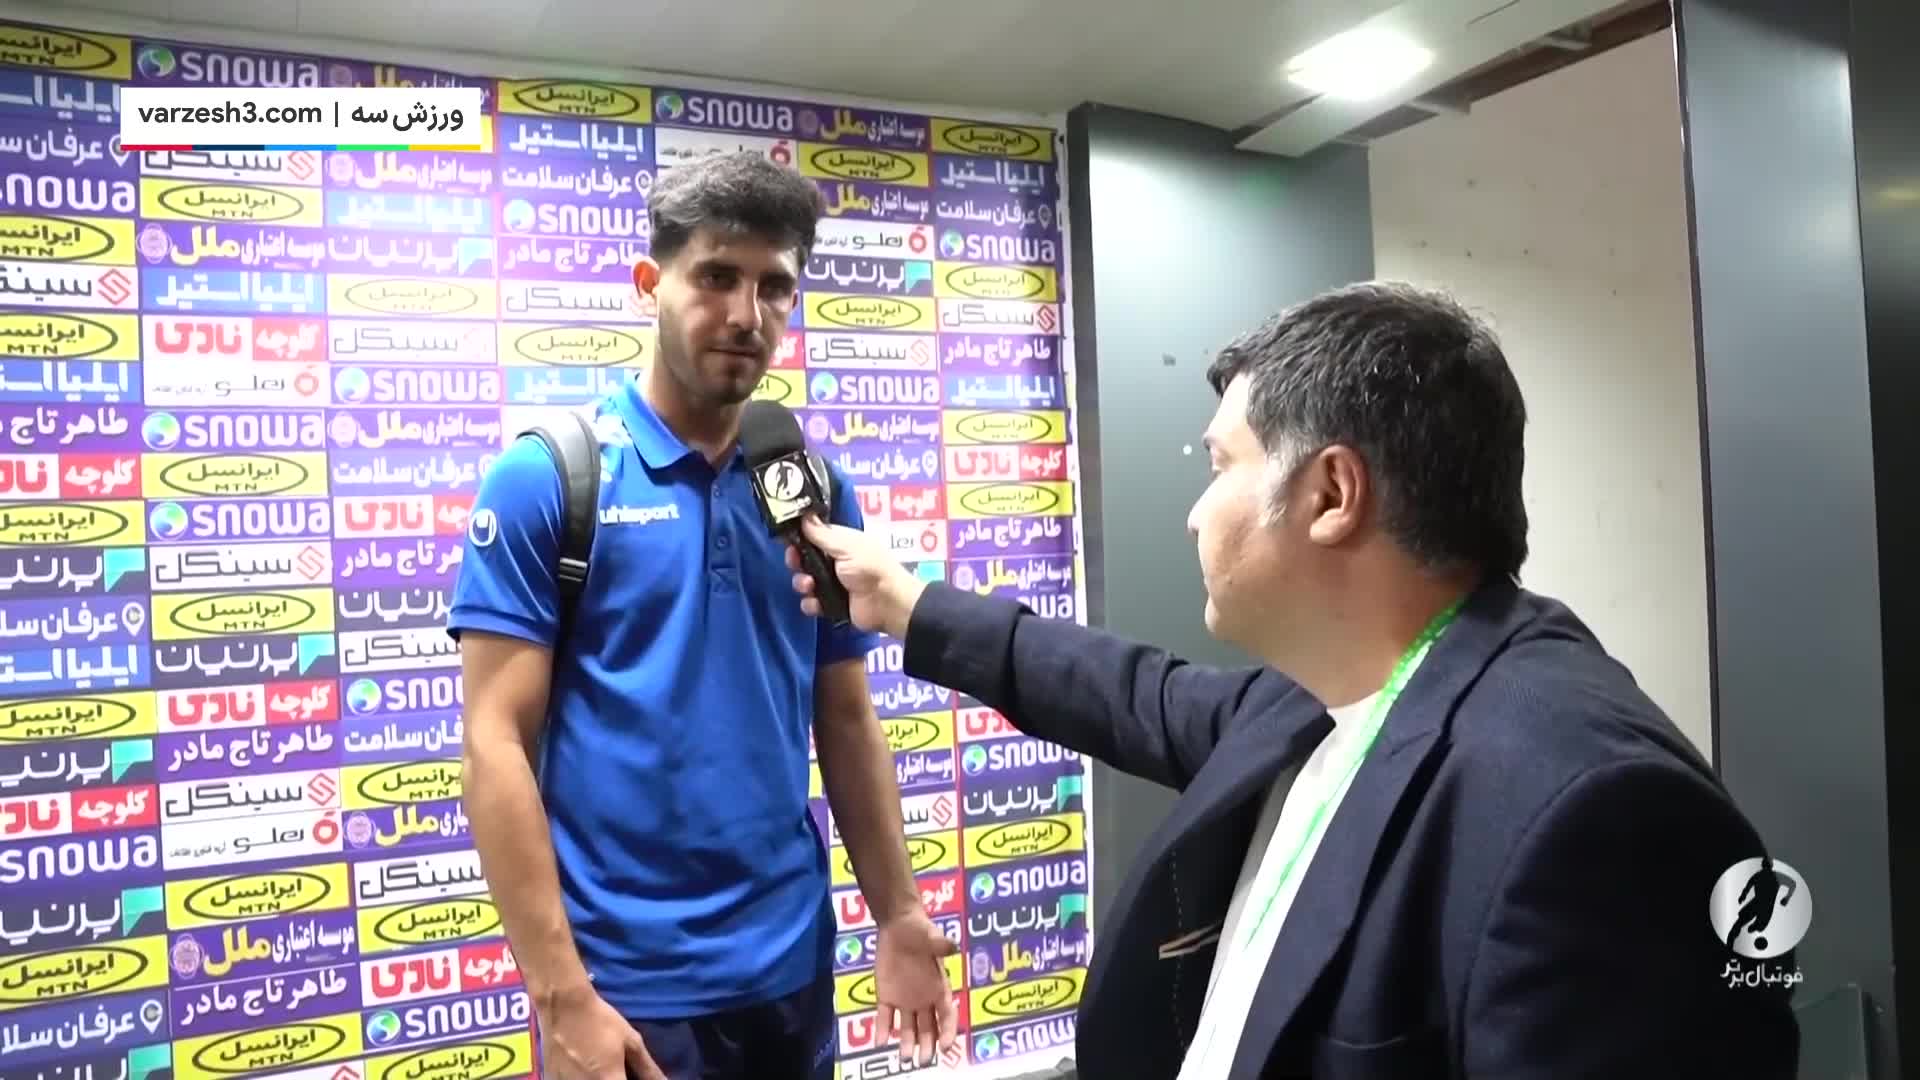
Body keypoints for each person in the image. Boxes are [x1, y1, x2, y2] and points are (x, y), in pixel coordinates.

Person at [785, 282, 1801, 1078]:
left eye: (1220, 465)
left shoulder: (1591, 810)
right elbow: (1130, 693)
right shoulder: (1318, 697)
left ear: (1331, 494)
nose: (1196, 512)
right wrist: (905, 604)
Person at [451, 151, 957, 1080]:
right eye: (717, 276)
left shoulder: (812, 489)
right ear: (651, 284)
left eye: (774, 287)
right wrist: (561, 996)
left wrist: (898, 913)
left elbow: (844, 715)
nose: (746, 314)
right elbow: (495, 744)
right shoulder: (548, 479)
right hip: (625, 992)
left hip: (789, 971)